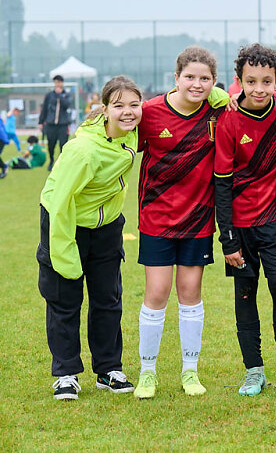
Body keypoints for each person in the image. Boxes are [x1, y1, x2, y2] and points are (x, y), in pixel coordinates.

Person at [214, 44, 276, 397]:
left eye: (266, 81)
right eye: (251, 81)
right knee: (245, 292)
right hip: (239, 225)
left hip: (275, 218)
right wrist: (227, 238)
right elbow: (221, 183)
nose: (258, 88)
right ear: (238, 81)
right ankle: (253, 371)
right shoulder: (227, 119)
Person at [133, 46, 230, 399]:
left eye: (205, 79)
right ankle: (147, 373)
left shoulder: (218, 112)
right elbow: (117, 135)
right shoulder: (150, 113)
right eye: (189, 77)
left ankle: (190, 371)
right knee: (157, 293)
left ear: (214, 82)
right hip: (156, 218)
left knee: (190, 294)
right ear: (176, 78)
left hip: (198, 220)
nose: (197, 84)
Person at [37, 76, 142, 400]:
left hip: (107, 226)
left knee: (108, 299)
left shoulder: (133, 128)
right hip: (65, 221)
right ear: (104, 109)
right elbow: (59, 204)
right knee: (64, 299)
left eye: (134, 104)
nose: (128, 112)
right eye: (119, 105)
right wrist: (64, 254)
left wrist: (225, 97)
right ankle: (66, 374)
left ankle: (108, 370)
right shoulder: (83, 150)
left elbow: (182, 97)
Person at [39, 75, 73, 171]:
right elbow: (44, 109)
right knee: (51, 145)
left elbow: (67, 105)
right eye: (56, 82)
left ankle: (62, 163)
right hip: (51, 124)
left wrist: (59, 95)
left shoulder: (66, 95)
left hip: (63, 124)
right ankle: (51, 161)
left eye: (59, 82)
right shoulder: (49, 95)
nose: (57, 84)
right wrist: (41, 122)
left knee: (63, 145)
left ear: (62, 83)